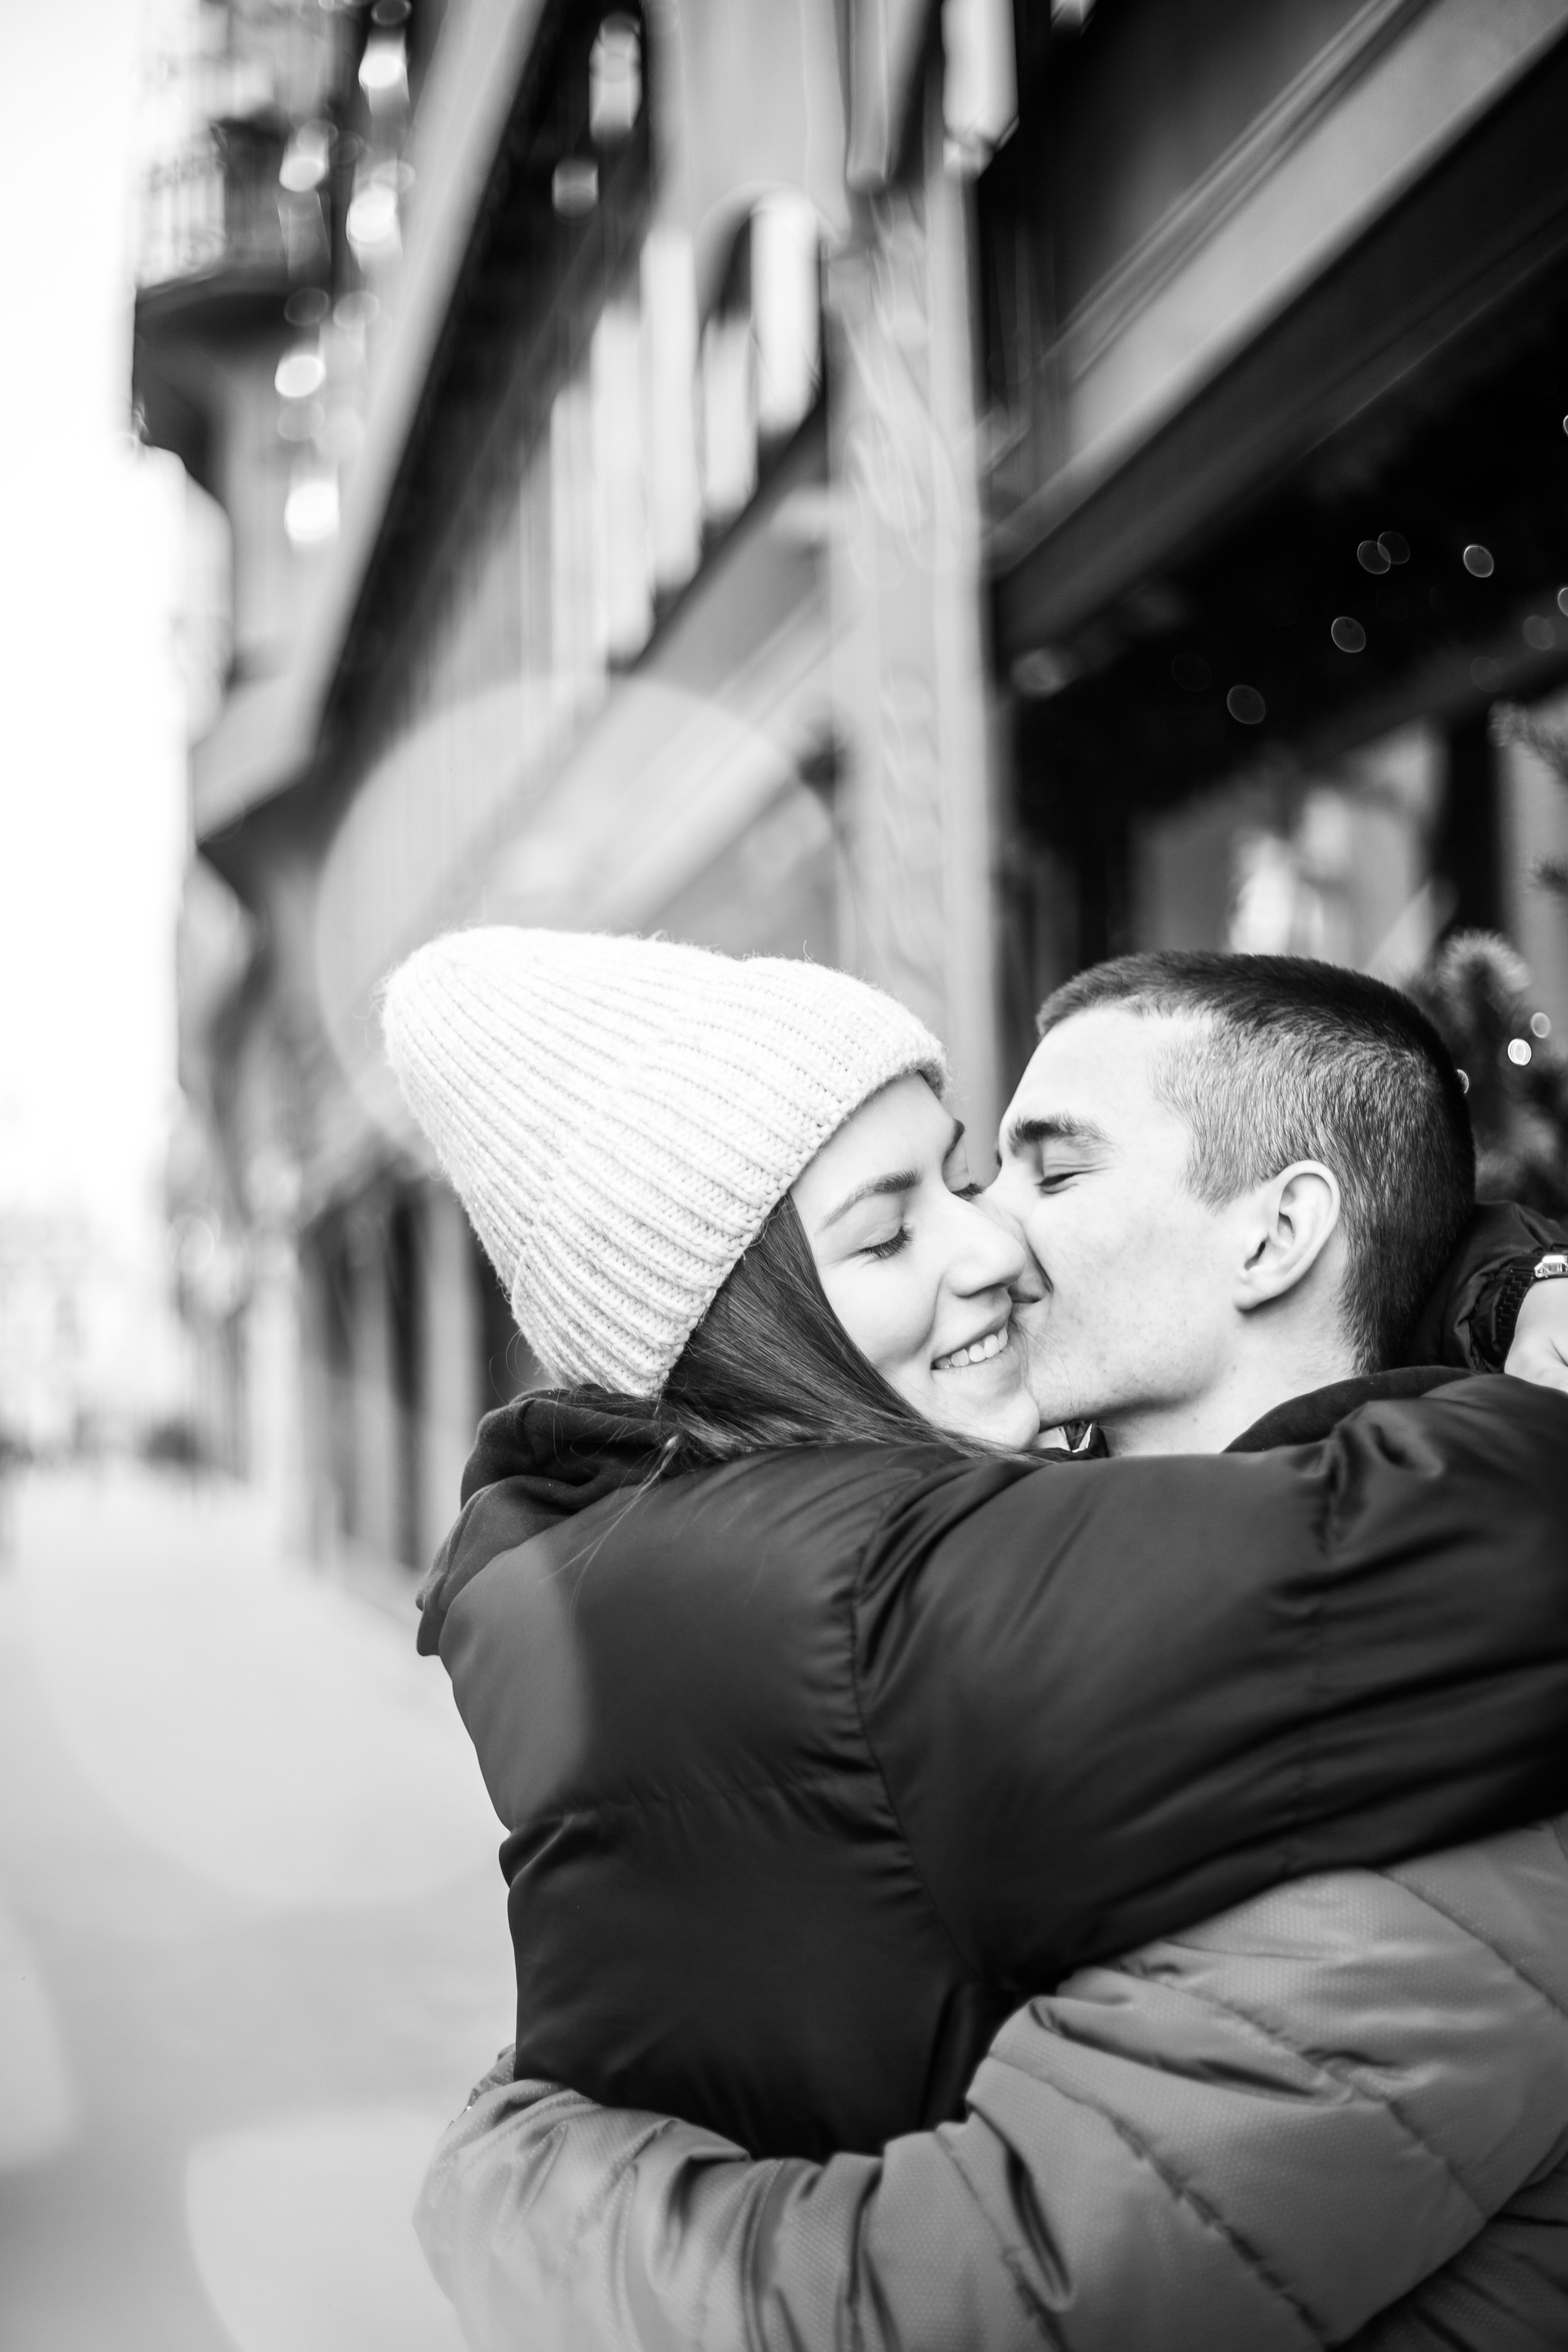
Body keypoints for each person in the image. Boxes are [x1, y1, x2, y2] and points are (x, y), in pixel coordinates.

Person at [383, 932, 1568, 2348]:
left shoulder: (1416, 1784)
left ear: (1274, 1234)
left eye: (1042, 1171)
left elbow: (941, 2304)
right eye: (920, 1210)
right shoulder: (991, 1598)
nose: (994, 1237)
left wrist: (517, 2180)